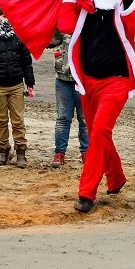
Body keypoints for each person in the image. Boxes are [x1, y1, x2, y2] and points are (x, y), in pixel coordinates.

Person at [58, 0, 135, 213]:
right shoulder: (83, 5)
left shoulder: (124, 6)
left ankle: (86, 193)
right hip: (88, 82)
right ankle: (116, 178)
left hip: (116, 82)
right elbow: (64, 26)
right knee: (100, 132)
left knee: (98, 132)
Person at [0, 5, 35, 168]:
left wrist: (30, 82)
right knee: (1, 120)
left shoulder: (19, 38)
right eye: (2, 15)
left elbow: (27, 62)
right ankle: (2, 150)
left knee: (18, 120)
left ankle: (21, 151)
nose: (5, 19)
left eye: (8, 15)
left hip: (17, 85)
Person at [48, 30, 88, 167]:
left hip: (83, 80)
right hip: (63, 79)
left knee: (85, 119)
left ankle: (87, 153)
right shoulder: (61, 23)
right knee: (63, 119)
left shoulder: (88, 21)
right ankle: (59, 153)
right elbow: (49, 41)